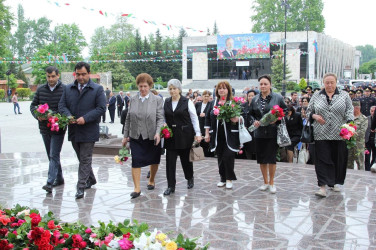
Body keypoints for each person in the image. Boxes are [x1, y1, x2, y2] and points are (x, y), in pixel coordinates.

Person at [58, 62, 106, 199]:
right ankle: (91, 178)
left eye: (83, 74)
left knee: (85, 158)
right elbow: (61, 105)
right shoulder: (68, 88)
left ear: (88, 74)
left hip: (89, 130)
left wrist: (85, 118)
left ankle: (80, 187)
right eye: (78, 74)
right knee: (81, 158)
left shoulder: (97, 89)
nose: (80, 77)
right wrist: (68, 116)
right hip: (74, 130)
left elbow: (101, 108)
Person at [307, 72, 353, 197]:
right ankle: (322, 186)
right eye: (327, 82)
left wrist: (350, 124)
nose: (329, 85)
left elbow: (349, 110)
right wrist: (314, 116)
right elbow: (308, 111)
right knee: (322, 160)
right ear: (323, 83)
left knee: (338, 158)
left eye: (332, 82)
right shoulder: (317, 95)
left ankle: (334, 182)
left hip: (339, 133)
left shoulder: (344, 95)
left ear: (336, 82)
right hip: (321, 133)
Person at [121, 73, 164, 199]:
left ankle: (151, 179)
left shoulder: (157, 100)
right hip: (136, 135)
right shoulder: (133, 99)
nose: (143, 89)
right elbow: (128, 118)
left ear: (150, 86)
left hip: (152, 136)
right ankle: (137, 188)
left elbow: (160, 118)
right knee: (136, 161)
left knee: (154, 160)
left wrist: (158, 133)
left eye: (145, 86)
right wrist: (125, 136)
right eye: (140, 86)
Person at [248, 75, 287, 194]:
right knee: (262, 159)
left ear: (270, 85)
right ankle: (265, 182)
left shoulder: (277, 97)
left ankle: (272, 182)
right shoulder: (254, 99)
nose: (263, 86)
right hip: (259, 132)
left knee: (271, 158)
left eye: (265, 84)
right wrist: (253, 121)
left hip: (272, 131)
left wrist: (277, 118)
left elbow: (284, 110)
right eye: (261, 84)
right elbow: (250, 114)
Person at [30, 66, 66, 193]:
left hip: (58, 128)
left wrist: (55, 115)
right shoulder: (41, 89)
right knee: (51, 155)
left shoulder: (64, 89)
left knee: (54, 154)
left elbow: (66, 106)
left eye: (53, 76)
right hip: (44, 128)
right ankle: (59, 177)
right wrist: (38, 115)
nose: (50, 79)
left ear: (58, 76)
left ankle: (49, 182)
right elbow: (33, 106)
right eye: (48, 76)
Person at [163, 79, 201, 195]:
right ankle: (171, 186)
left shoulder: (187, 101)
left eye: (174, 88)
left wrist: (198, 133)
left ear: (179, 89)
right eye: (170, 89)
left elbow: (194, 118)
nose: (172, 91)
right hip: (171, 136)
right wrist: (164, 125)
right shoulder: (166, 101)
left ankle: (189, 177)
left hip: (185, 135)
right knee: (170, 162)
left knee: (186, 160)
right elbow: (164, 116)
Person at [205, 81, 241, 189]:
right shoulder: (212, 103)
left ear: (228, 90)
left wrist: (237, 119)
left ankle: (229, 178)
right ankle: (222, 178)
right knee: (220, 156)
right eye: (219, 88)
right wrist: (207, 133)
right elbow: (207, 118)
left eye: (224, 88)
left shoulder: (233, 102)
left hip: (230, 134)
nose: (222, 90)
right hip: (216, 134)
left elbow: (242, 116)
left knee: (228, 156)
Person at [347, 100, 367, 170]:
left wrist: (350, 134)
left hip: (358, 145)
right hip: (349, 145)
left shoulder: (363, 119)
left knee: (360, 164)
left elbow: (362, 132)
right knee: (349, 164)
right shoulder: (349, 118)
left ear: (357, 108)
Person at [195, 90, 213, 157]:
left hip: (206, 125)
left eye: (207, 96)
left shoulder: (211, 104)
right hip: (199, 125)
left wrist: (205, 114)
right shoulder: (198, 104)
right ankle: (198, 155)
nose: (206, 98)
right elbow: (194, 114)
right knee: (198, 142)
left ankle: (206, 155)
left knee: (206, 143)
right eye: (205, 96)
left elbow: (211, 115)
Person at [242, 90, 257, 160]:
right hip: (246, 129)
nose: (250, 97)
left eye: (252, 96)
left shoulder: (258, 105)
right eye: (249, 96)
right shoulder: (243, 105)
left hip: (256, 129)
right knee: (248, 146)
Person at [365, 106, 376, 171]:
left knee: (374, 156)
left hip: (374, 140)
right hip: (368, 140)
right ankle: (367, 169)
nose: (373, 113)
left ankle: (373, 166)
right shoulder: (367, 119)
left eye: (374, 111)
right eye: (372, 111)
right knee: (367, 156)